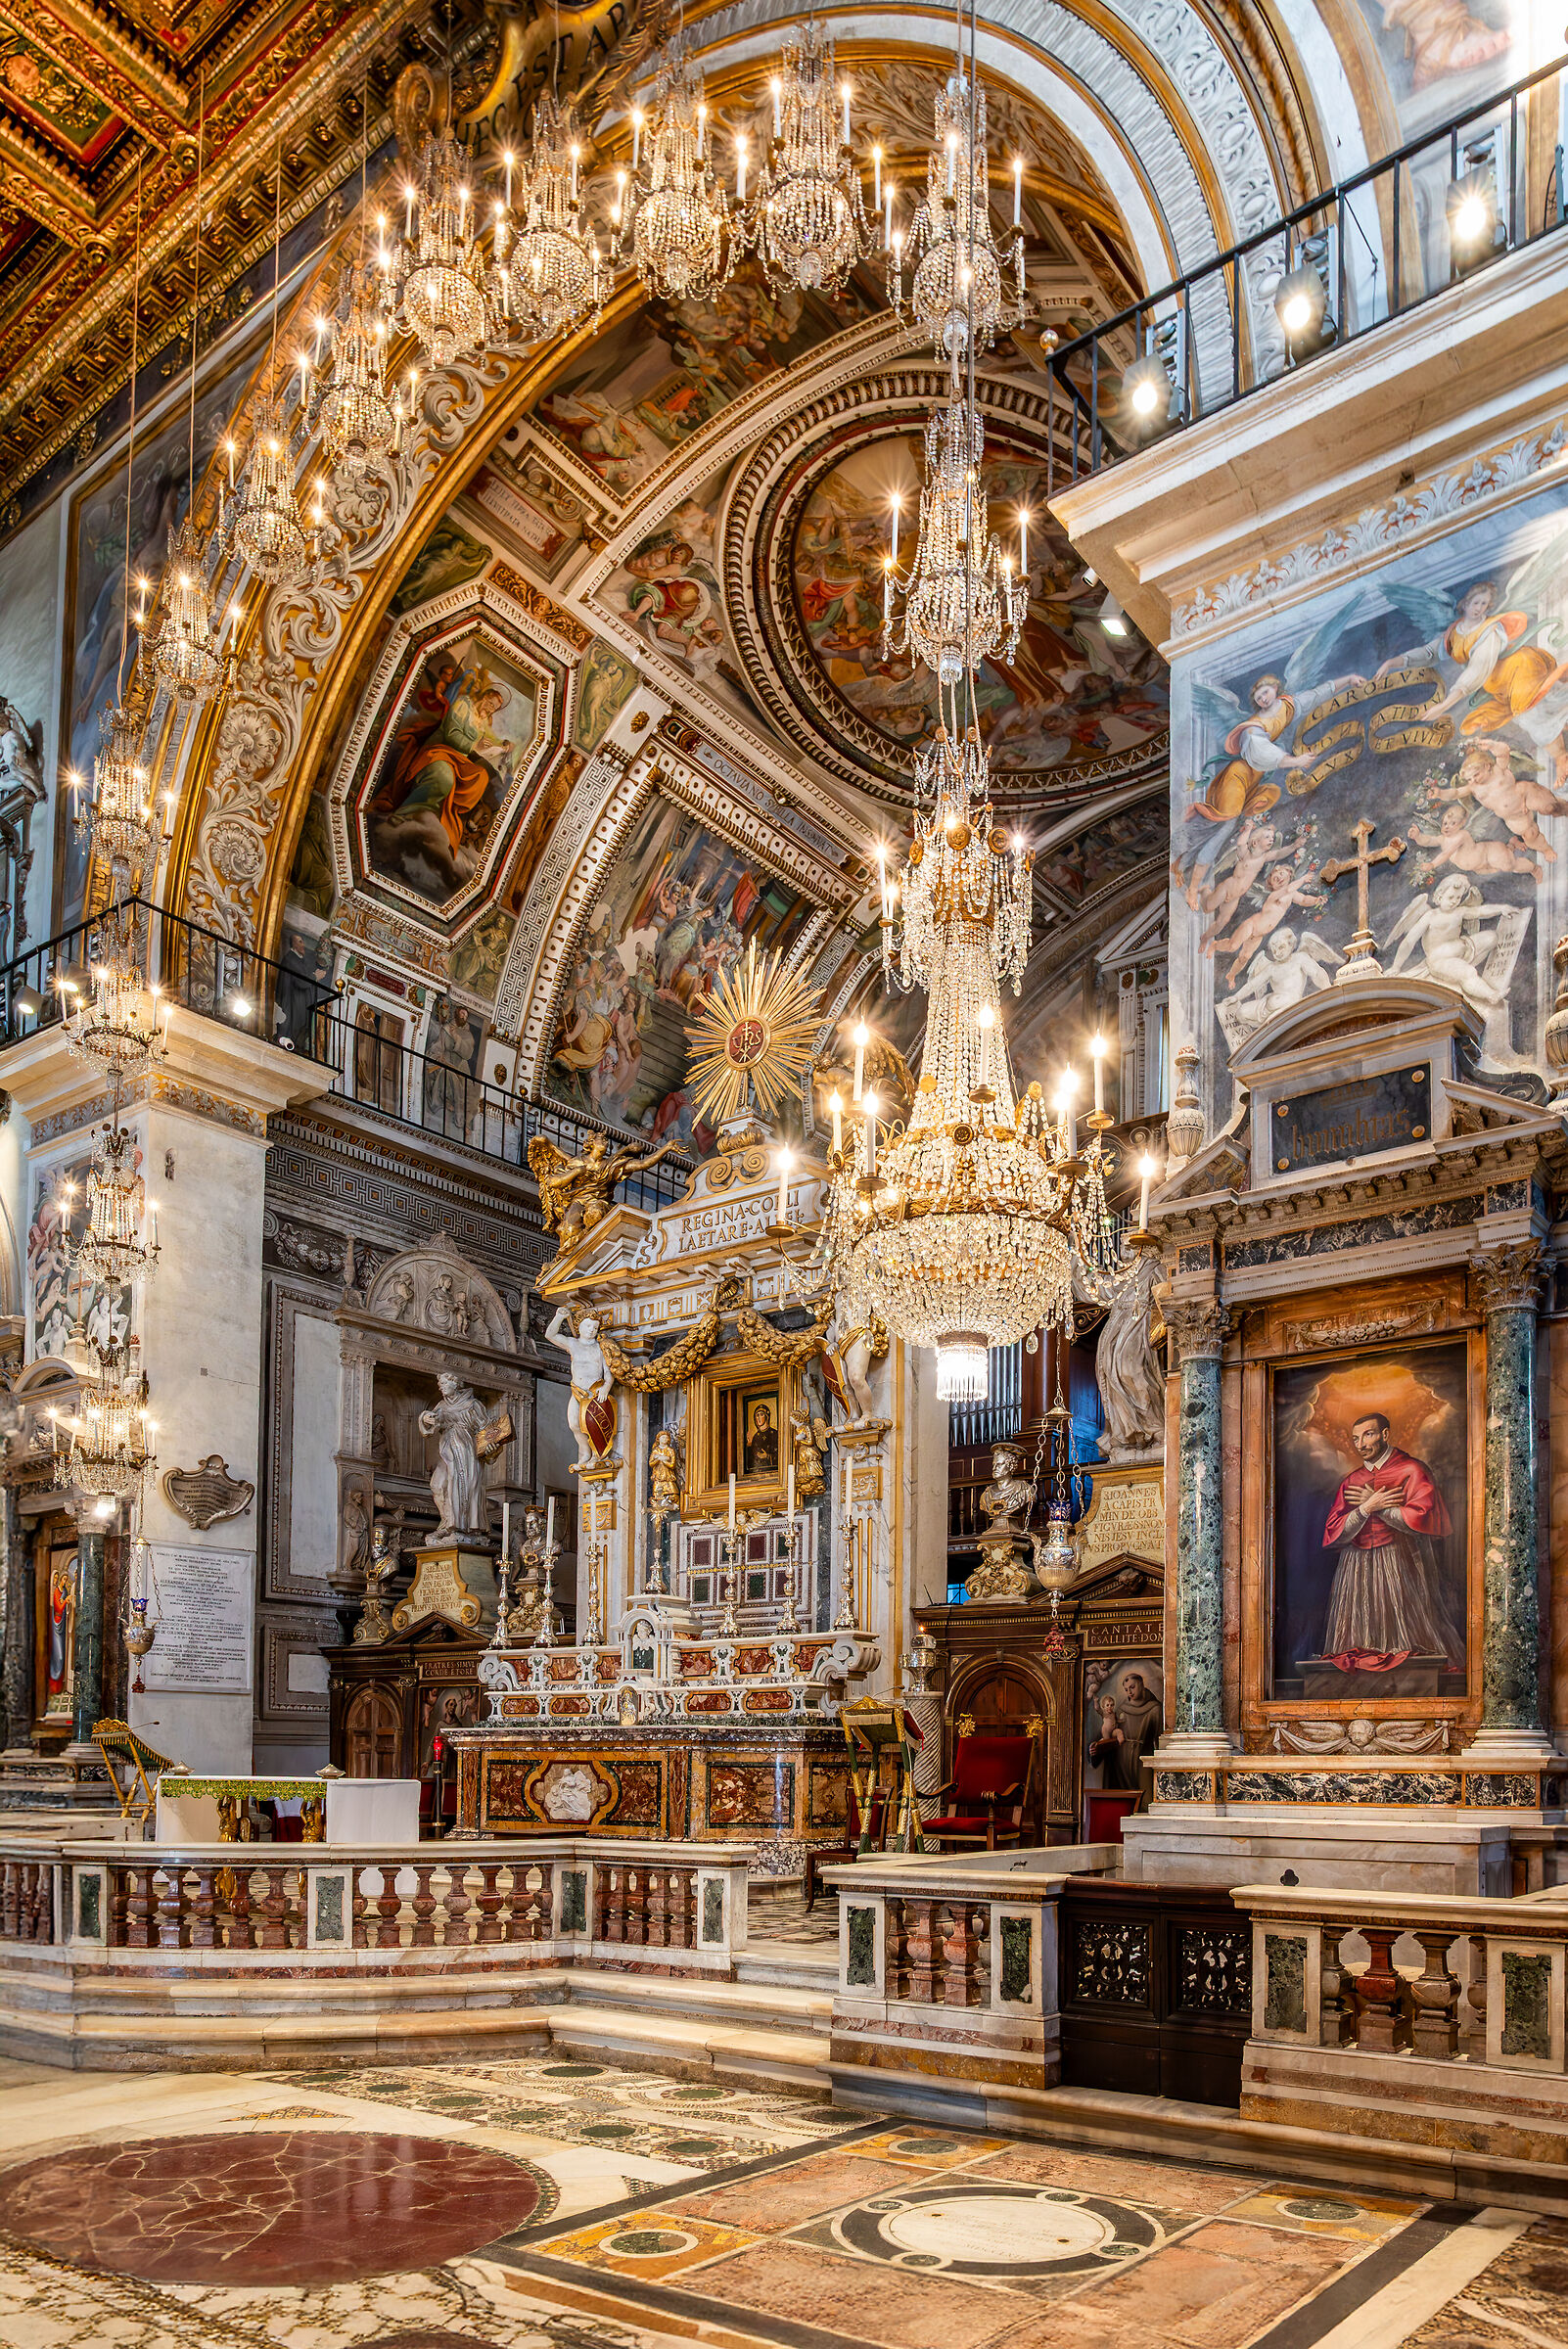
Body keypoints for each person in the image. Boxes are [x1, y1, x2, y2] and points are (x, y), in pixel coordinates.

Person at [1319, 1410, 1463, 1667]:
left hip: (1398, 1559)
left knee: (1405, 1638)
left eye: (1368, 1435)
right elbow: (1335, 1532)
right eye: (1355, 1439)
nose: (1361, 1444)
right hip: (1355, 1566)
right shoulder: (1352, 1480)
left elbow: (1422, 1519)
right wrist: (1365, 1509)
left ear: (1385, 1434)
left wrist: (1379, 1508)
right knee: (1357, 1640)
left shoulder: (1412, 1470)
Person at [744, 1403, 778, 1476]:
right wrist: (749, 1444)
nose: (759, 1418)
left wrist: (767, 1456)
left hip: (772, 1476)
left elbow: (780, 1455)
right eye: (757, 1415)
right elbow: (751, 1463)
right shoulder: (755, 1437)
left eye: (761, 1415)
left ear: (766, 1416)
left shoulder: (775, 1434)